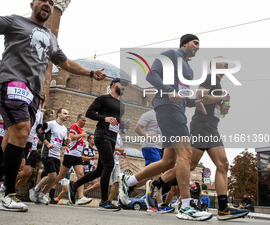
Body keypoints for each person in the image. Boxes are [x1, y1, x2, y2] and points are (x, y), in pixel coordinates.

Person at [0, 0, 106, 212]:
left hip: (34, 93)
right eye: (43, 0)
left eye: (51, 3)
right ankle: (9, 194)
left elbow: (65, 64)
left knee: (11, 143)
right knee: (23, 132)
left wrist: (90, 73)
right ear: (32, 5)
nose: (47, 4)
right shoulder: (16, 22)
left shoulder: (51, 38)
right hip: (12, 83)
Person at [118, 34, 213, 221]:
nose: (198, 47)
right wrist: (169, 91)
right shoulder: (170, 55)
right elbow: (151, 75)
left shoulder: (189, 70)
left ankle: (127, 181)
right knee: (185, 154)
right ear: (184, 44)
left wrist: (195, 102)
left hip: (178, 110)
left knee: (168, 162)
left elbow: (182, 94)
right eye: (195, 43)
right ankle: (186, 206)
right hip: (167, 108)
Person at [146, 57, 249, 220]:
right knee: (196, 163)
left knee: (213, 164)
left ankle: (223, 208)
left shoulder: (218, 83)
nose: (227, 64)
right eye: (223, 62)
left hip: (210, 126)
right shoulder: (211, 78)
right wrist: (220, 98)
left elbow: (215, 109)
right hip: (202, 126)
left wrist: (223, 109)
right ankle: (158, 183)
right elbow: (201, 96)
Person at [68, 78, 126, 211]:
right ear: (113, 85)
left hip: (112, 137)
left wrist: (123, 125)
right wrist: (104, 118)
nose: (123, 87)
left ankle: (75, 185)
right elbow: (89, 113)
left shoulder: (122, 105)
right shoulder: (103, 99)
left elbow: (117, 122)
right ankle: (104, 201)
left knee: (100, 170)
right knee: (109, 165)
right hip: (101, 135)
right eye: (121, 85)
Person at [34, 114, 92, 205]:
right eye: (83, 120)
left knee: (81, 175)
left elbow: (73, 141)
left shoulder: (82, 130)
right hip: (70, 155)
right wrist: (81, 135)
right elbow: (71, 137)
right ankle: (45, 191)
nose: (85, 123)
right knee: (60, 176)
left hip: (78, 155)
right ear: (78, 120)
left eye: (85, 121)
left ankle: (81, 197)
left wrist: (82, 143)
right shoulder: (74, 126)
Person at [29, 108, 70, 204]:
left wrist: (66, 142)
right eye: (65, 113)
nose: (67, 115)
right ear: (58, 114)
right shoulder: (50, 124)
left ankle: (41, 196)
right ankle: (34, 190)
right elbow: (39, 132)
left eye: (67, 114)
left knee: (55, 178)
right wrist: (47, 143)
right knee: (52, 175)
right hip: (48, 153)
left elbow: (62, 143)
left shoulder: (64, 129)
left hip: (56, 155)